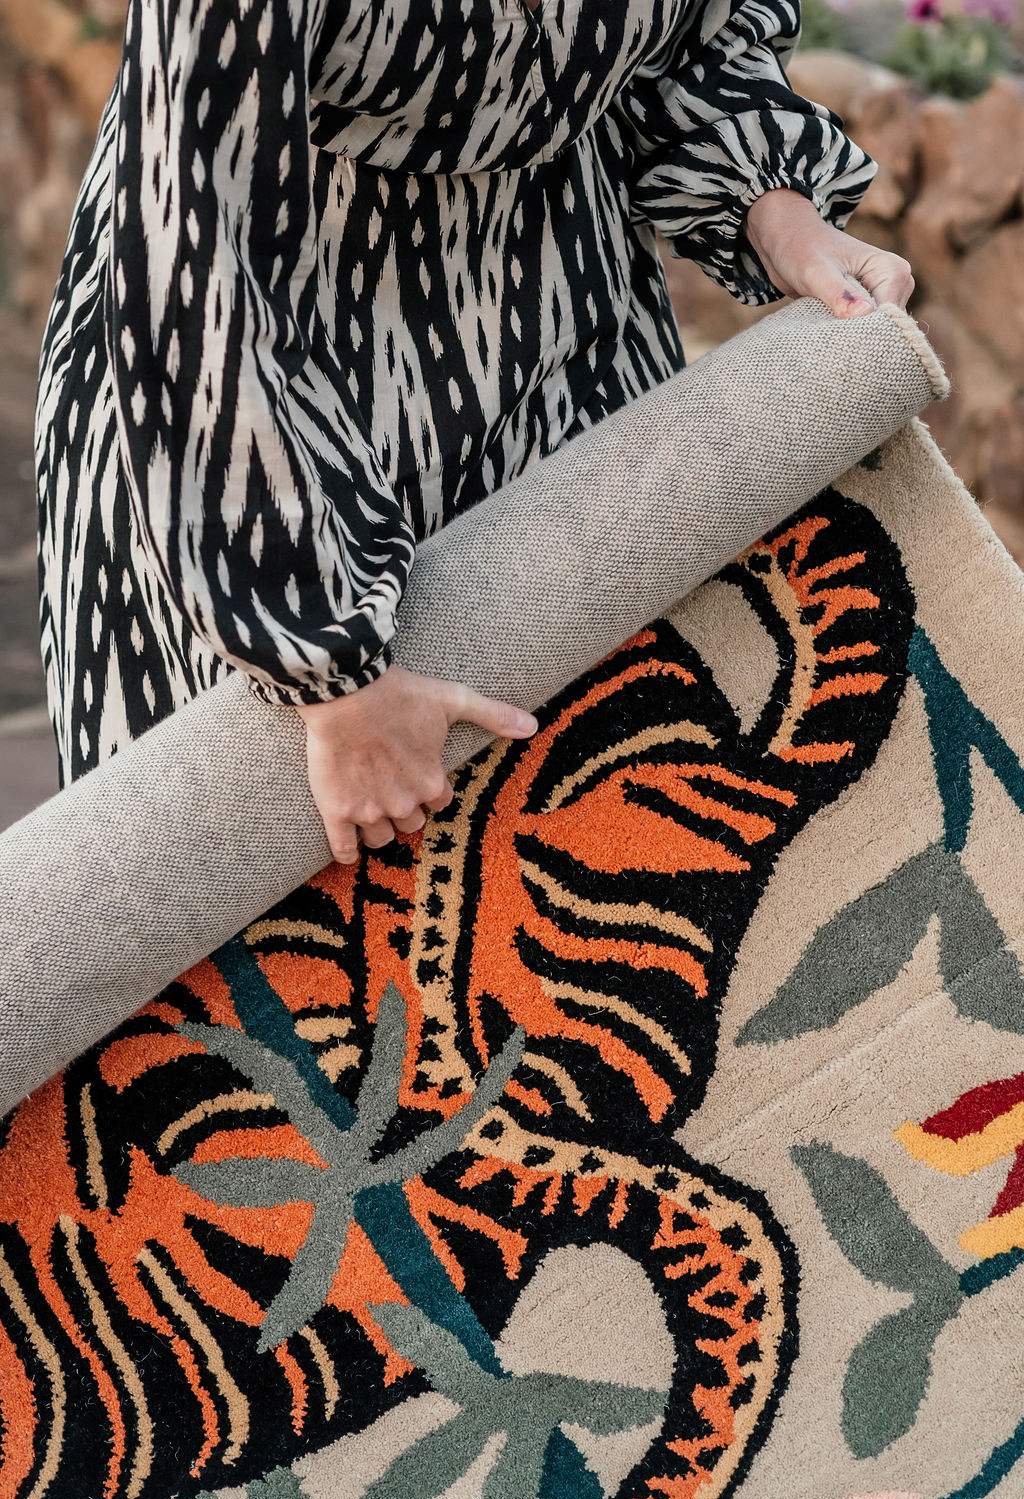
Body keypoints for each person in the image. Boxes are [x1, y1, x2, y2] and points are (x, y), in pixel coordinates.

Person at [35, 0, 913, 865]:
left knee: (632, 856)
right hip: (242, 433)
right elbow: (190, 244)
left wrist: (775, 208)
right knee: (279, 948)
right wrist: (325, 674)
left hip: (571, 333)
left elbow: (698, 32)